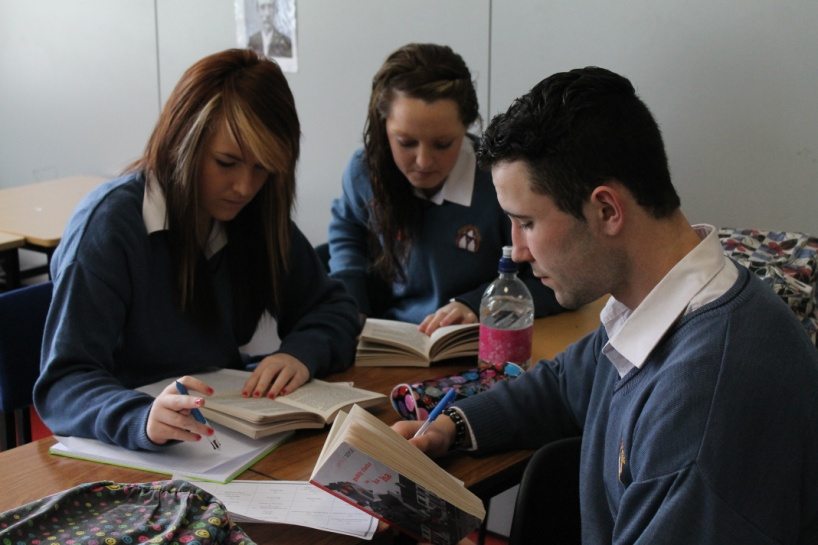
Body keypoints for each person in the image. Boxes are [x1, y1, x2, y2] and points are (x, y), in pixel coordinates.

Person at [394, 67, 818, 543]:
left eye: (526, 222)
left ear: (607, 210)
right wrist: (453, 424)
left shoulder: (702, 409)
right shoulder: (655, 307)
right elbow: (562, 384)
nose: (517, 250)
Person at [33, 49, 361, 452]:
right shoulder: (109, 227)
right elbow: (63, 383)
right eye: (226, 162)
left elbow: (334, 308)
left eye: (262, 169)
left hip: (220, 438)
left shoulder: (252, 214)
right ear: (182, 143)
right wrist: (140, 416)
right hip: (126, 451)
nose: (244, 186)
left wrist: (301, 354)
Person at [327, 43, 563, 334]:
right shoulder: (364, 171)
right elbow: (347, 234)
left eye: (442, 144)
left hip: (476, 339)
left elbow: (555, 283)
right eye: (405, 143)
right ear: (382, 126)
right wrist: (352, 306)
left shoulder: (501, 183)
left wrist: (477, 304)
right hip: (390, 337)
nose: (424, 161)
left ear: (466, 127)